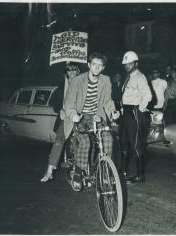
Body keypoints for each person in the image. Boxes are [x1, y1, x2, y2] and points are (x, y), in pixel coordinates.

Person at [64, 52, 120, 191]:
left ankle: (105, 171)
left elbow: (107, 100)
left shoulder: (105, 80)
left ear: (103, 68)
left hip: (97, 116)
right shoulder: (77, 80)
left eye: (100, 66)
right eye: (94, 64)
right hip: (81, 116)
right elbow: (69, 102)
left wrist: (113, 111)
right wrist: (74, 115)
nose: (96, 68)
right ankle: (77, 174)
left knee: (108, 138)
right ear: (89, 65)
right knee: (85, 142)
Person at [40, 62, 80, 182]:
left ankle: (81, 172)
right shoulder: (63, 85)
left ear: (78, 70)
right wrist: (60, 109)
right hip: (65, 117)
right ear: (66, 72)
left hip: (79, 117)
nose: (71, 72)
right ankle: (49, 171)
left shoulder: (84, 83)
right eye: (69, 70)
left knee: (84, 142)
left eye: (74, 69)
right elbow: (54, 102)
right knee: (59, 141)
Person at [121, 51, 152, 184]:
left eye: (129, 63)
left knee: (135, 144)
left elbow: (148, 95)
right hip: (126, 113)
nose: (127, 66)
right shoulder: (129, 77)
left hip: (134, 112)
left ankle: (140, 175)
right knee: (124, 142)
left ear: (135, 63)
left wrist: (139, 109)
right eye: (125, 64)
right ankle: (123, 171)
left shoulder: (140, 77)